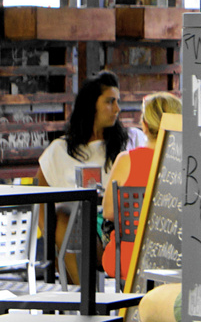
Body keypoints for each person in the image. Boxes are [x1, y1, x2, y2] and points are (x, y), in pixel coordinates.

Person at [37, 71, 138, 283]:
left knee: (70, 224)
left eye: (117, 102)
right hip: (74, 234)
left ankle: (84, 298)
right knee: (65, 219)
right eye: (110, 102)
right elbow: (41, 201)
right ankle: (83, 297)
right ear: (91, 104)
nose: (117, 109)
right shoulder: (60, 150)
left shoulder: (130, 142)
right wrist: (50, 240)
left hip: (121, 229)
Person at [101, 91, 181, 283]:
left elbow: (108, 212)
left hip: (129, 261)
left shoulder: (126, 161)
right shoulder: (188, 164)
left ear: (144, 126)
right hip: (176, 261)